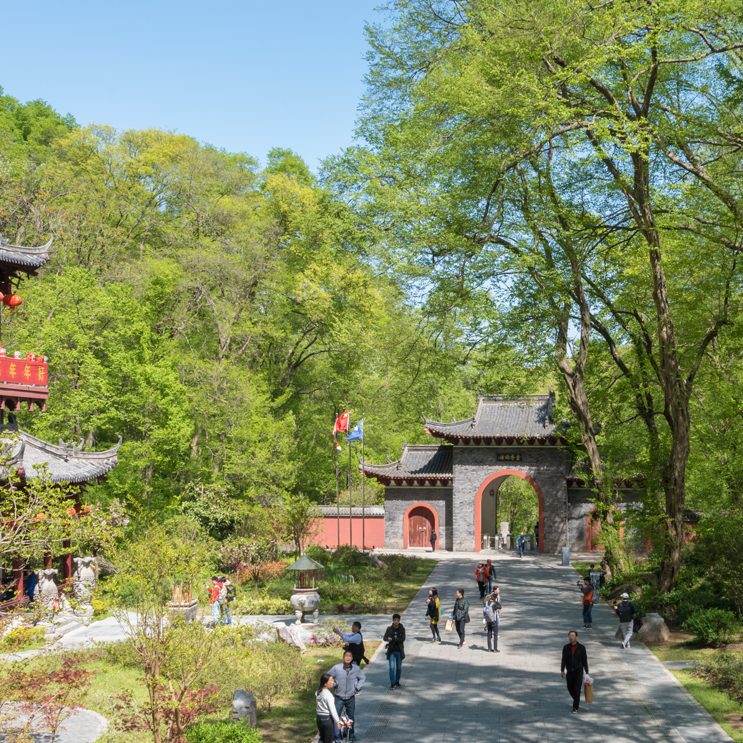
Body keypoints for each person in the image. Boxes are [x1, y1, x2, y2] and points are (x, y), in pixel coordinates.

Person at [328, 649, 365, 740]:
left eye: (350, 656)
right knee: (335, 716)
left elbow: (362, 677)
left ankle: (351, 733)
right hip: (339, 697)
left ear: (352, 658)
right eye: (346, 656)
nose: (348, 658)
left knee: (351, 716)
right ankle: (334, 734)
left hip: (350, 697)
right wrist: (334, 684)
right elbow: (327, 676)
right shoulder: (337, 668)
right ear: (343, 657)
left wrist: (357, 688)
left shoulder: (356, 668)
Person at [561, 630, 589, 714]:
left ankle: (575, 707)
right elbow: (564, 659)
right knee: (570, 688)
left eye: (573, 635)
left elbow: (585, 660)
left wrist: (587, 672)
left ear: (576, 637)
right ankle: (577, 700)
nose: (571, 637)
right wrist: (562, 670)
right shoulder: (566, 647)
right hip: (569, 671)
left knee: (577, 689)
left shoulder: (582, 648)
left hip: (578, 671)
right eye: (570, 635)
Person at [315, 672, 342, 743]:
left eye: (332, 679)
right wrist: (337, 722)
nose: (333, 681)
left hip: (319, 717)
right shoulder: (328, 695)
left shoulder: (318, 692)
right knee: (328, 740)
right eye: (330, 680)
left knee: (322, 738)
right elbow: (332, 710)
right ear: (325, 684)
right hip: (327, 719)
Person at [383, 614, 406, 689]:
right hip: (391, 650)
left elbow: (403, 638)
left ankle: (397, 681)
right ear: (393, 620)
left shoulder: (402, 629)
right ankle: (392, 683)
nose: (396, 622)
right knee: (392, 668)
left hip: (399, 650)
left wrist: (395, 639)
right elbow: (384, 638)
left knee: (399, 668)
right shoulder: (389, 628)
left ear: (399, 621)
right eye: (395, 620)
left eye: (398, 620)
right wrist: (388, 638)